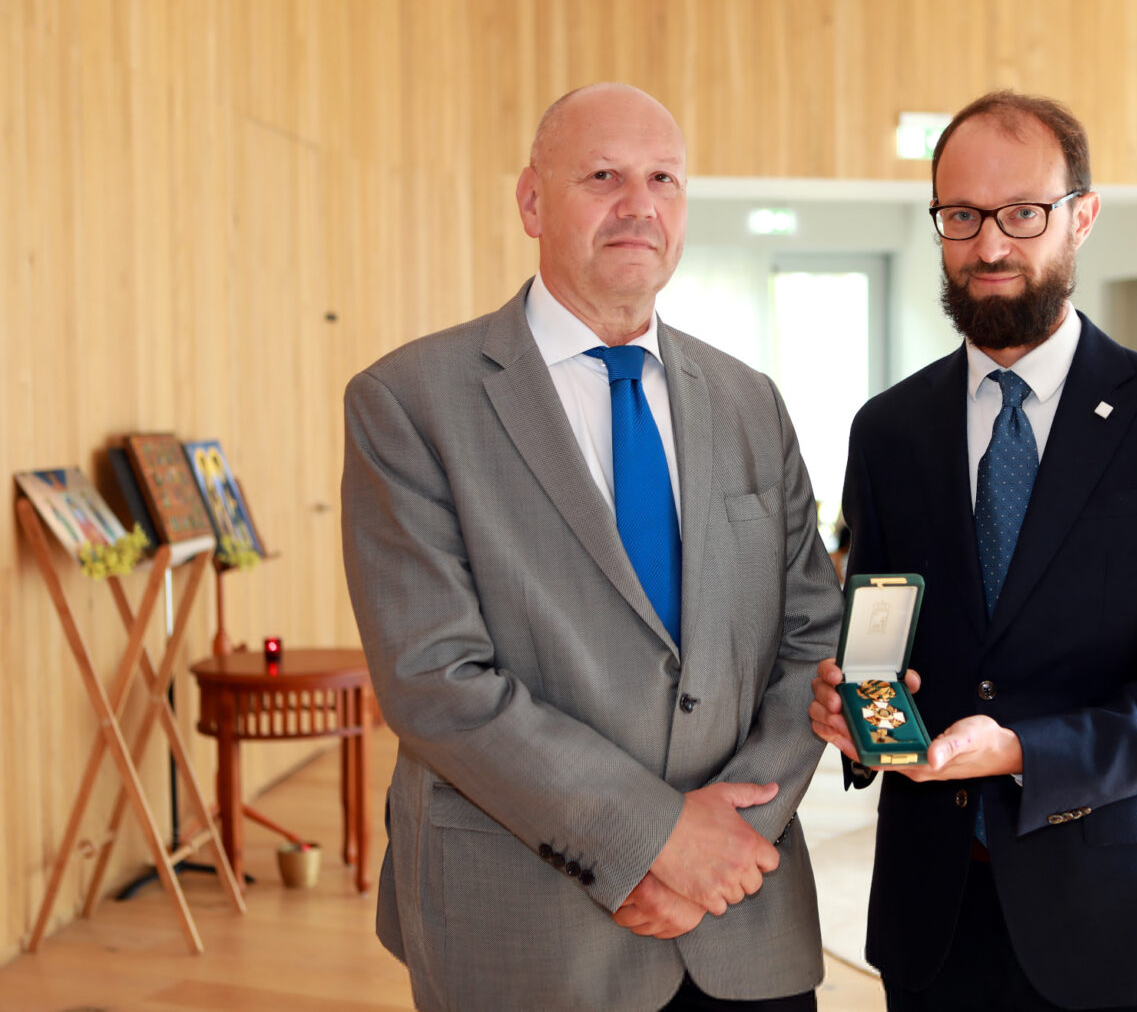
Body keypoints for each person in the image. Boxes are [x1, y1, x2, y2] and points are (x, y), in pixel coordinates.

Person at [342, 83, 842, 1012]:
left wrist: (730, 845)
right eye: (603, 176)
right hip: (529, 928)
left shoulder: (748, 402)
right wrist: (654, 839)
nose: (639, 205)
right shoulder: (410, 402)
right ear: (532, 202)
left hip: (743, 917)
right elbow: (435, 680)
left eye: (664, 179)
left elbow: (812, 637)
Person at [809, 91, 1137, 1011]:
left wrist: (1024, 750)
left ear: (1081, 218)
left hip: (1116, 917)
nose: (989, 245)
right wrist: (852, 708)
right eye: (962, 216)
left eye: (1023, 213)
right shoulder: (888, 430)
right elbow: (880, 633)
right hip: (931, 912)